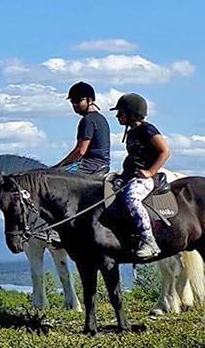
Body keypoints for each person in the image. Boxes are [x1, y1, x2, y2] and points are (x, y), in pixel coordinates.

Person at [113, 92, 170, 259]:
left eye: (121, 112)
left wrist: (150, 172)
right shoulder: (131, 132)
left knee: (131, 199)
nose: (117, 116)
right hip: (130, 175)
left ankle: (149, 241)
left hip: (145, 178)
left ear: (132, 113)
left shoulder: (147, 129)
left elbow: (165, 151)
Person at [54, 81, 112, 175]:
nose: (75, 104)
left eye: (78, 100)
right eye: (72, 101)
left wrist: (61, 165)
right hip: (101, 164)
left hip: (89, 165)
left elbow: (81, 151)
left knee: (52, 176)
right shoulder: (101, 118)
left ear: (90, 100)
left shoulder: (88, 120)